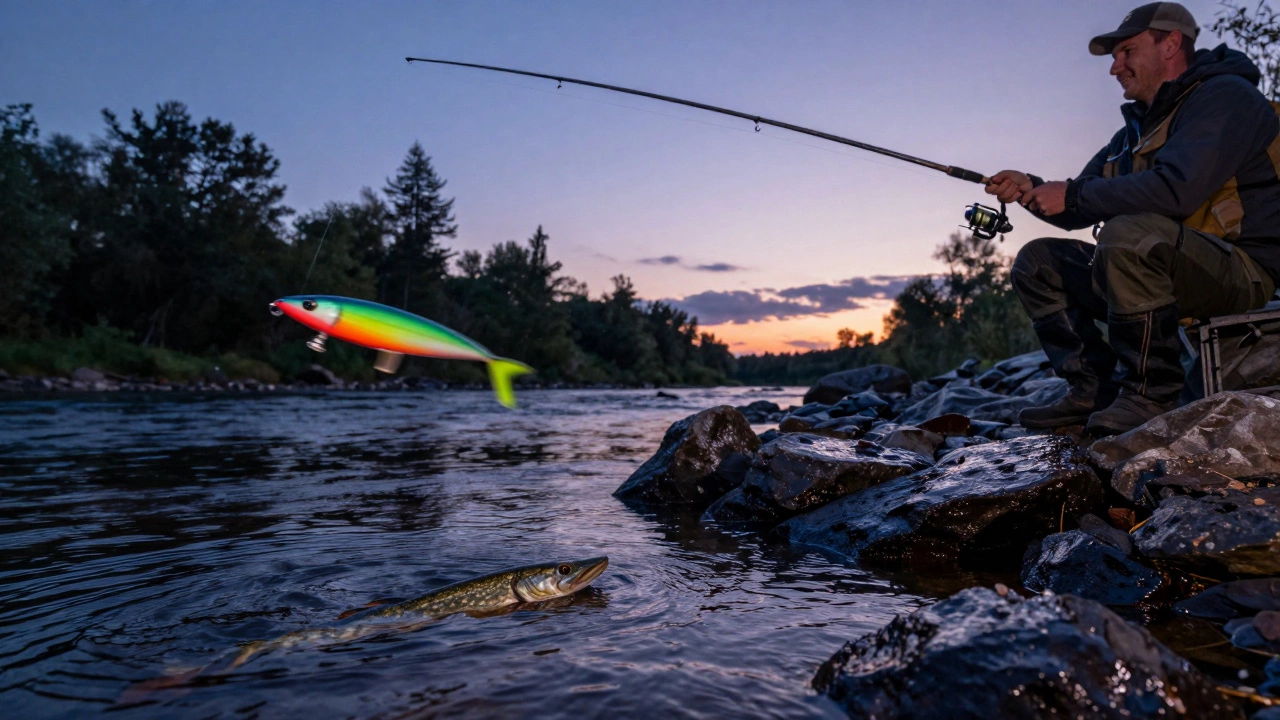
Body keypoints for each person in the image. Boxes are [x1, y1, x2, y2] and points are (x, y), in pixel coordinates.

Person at [986, 2, 1280, 436]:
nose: (1115, 68)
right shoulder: (1131, 135)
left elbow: (1177, 190)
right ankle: (1093, 389)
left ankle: (1151, 394)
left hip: (1242, 273)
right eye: (1114, 58)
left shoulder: (1225, 97)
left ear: (1171, 43)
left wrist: (1071, 192)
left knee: (1127, 236)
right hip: (1167, 263)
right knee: (1038, 261)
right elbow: (1078, 204)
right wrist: (1031, 188)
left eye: (1127, 52)